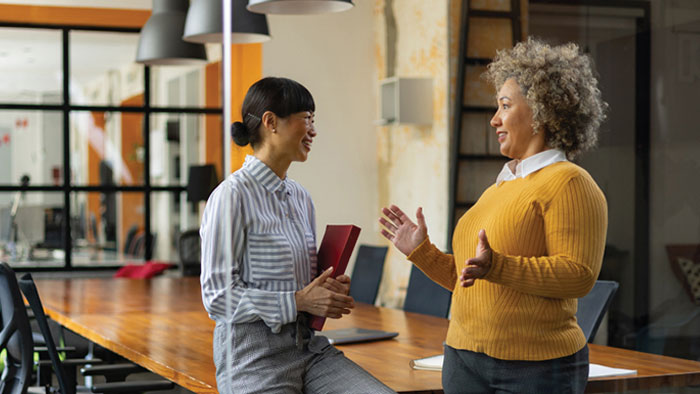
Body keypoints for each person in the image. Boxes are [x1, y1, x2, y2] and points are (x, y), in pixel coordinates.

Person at [379, 37, 608, 394]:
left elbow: (579, 276)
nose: (494, 120)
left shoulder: (570, 182)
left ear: (543, 110)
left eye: (504, 106)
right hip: (462, 357)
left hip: (535, 367)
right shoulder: (499, 187)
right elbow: (470, 281)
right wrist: (421, 252)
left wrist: (498, 266)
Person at [200, 77, 395, 394]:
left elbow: (301, 289)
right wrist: (298, 300)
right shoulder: (231, 196)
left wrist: (325, 289)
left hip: (310, 349)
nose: (314, 131)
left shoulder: (300, 197)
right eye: (307, 119)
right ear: (270, 122)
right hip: (253, 358)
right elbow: (218, 298)